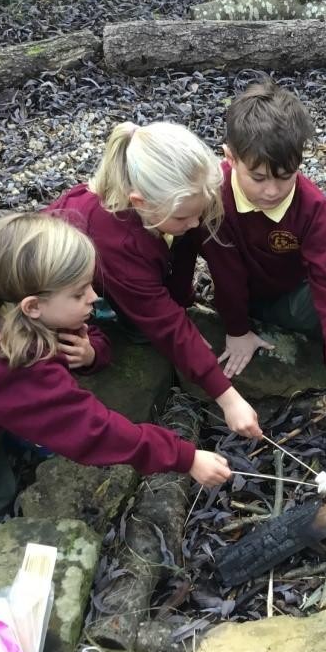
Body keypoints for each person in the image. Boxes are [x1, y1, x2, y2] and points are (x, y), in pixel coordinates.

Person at [0, 213, 232, 524]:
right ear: (33, 306)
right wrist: (186, 457)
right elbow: (93, 431)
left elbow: (87, 334)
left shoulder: (9, 311)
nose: (94, 298)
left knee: (32, 437)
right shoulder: (7, 366)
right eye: (80, 293)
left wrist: (93, 353)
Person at [199, 76, 326, 414]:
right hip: (273, 290)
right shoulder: (212, 198)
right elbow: (224, 270)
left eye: (285, 177)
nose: (271, 191)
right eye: (259, 178)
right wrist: (237, 329)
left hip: (306, 267)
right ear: (231, 158)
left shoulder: (310, 205)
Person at [45, 121, 262, 437]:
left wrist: (185, 304)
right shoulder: (119, 245)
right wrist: (229, 399)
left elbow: (189, 249)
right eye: (183, 217)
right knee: (140, 335)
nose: (195, 223)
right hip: (58, 298)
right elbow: (167, 327)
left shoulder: (173, 204)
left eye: (199, 213)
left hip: (121, 275)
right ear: (139, 202)